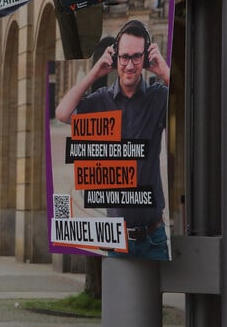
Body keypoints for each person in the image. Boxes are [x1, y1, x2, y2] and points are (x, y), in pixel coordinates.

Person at [55, 19, 171, 260]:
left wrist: (163, 70)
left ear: (146, 59)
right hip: (116, 238)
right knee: (118, 299)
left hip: (154, 238)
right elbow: (62, 113)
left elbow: (195, 102)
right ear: (116, 58)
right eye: (125, 57)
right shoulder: (100, 100)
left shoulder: (158, 97)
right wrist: (94, 72)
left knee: (152, 299)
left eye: (137, 57)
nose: (130, 65)